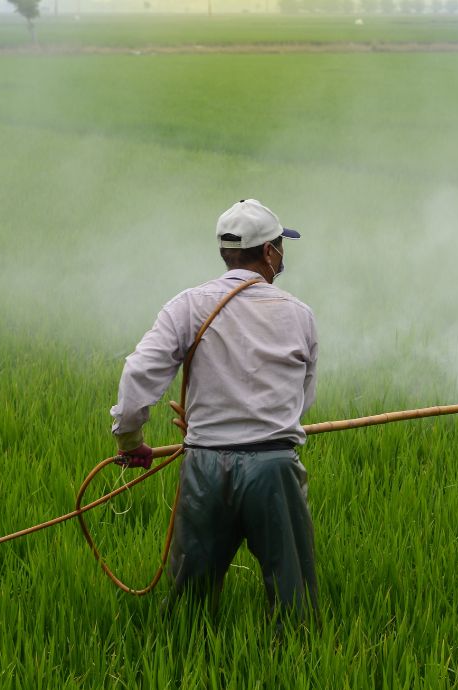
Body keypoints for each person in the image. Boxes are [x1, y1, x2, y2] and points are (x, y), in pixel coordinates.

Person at [109, 199, 319, 623]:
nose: (282, 254)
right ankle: (298, 663)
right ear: (267, 252)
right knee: (294, 602)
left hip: (205, 466)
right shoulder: (299, 315)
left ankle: (183, 661)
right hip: (274, 468)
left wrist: (131, 440)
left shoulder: (188, 305)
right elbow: (302, 400)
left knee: (190, 606)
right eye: (280, 245)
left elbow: (139, 373)